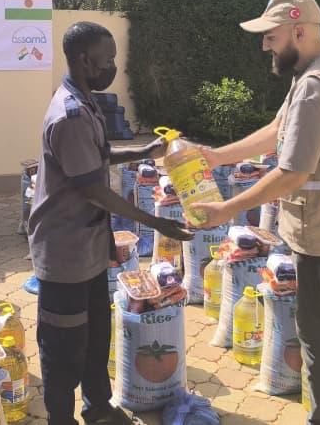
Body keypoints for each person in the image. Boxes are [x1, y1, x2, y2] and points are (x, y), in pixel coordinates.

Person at [190, 0, 320, 425]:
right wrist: (216, 157)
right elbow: (278, 128)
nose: (264, 44)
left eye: (271, 35)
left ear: (298, 31)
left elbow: (292, 173)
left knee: (317, 335)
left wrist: (228, 209)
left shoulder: (314, 88)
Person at [29, 21, 193, 425]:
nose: (113, 67)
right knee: (64, 345)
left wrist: (145, 151)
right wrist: (155, 222)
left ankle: (98, 407)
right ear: (86, 60)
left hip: (88, 246)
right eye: (108, 59)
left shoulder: (84, 102)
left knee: (96, 333)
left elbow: (98, 156)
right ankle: (61, 419)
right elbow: (92, 189)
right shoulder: (69, 115)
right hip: (64, 252)